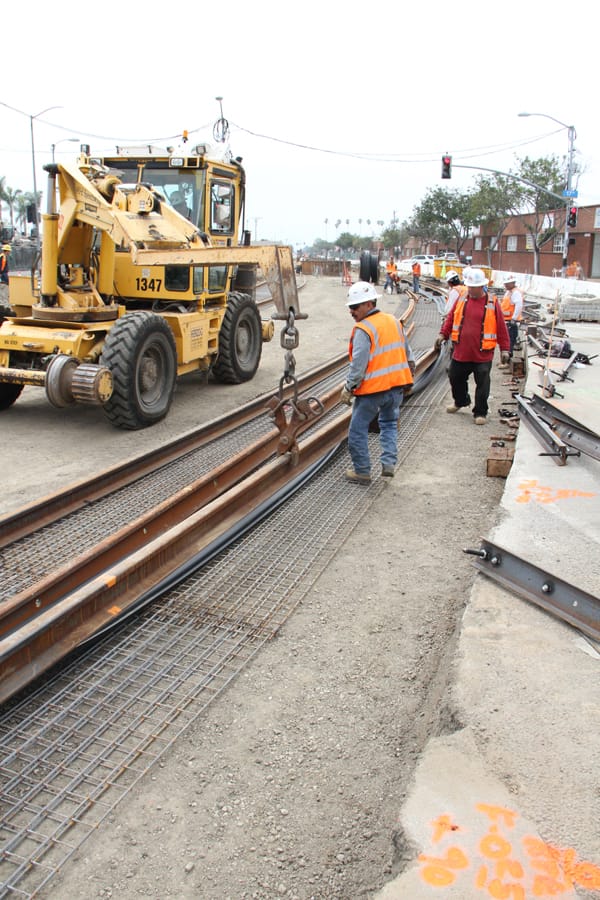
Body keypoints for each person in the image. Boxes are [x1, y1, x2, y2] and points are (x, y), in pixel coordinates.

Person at [339, 281, 415, 483]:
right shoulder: (393, 321)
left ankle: (362, 471)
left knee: (357, 430)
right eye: (350, 307)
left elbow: (358, 365)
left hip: (373, 391)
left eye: (355, 307)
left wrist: (348, 388)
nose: (352, 311)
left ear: (369, 304)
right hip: (396, 387)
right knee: (389, 424)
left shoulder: (364, 329)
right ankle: (388, 464)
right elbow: (408, 354)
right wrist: (408, 380)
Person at [434, 267, 510, 426]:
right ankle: (461, 401)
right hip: (462, 351)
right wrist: (443, 334)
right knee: (455, 376)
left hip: (482, 353)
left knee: (482, 383)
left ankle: (480, 412)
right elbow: (451, 319)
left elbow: (501, 327)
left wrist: (505, 348)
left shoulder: (492, 302)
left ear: (481, 286)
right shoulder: (462, 298)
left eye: (473, 287)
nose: (471, 290)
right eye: (469, 287)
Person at [499, 274, 523, 366]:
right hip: (506, 321)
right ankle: (505, 361)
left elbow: (519, 306)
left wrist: (514, 318)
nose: (505, 285)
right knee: (506, 341)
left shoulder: (515, 293)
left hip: (511, 322)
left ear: (512, 283)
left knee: (509, 341)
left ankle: (507, 363)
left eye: (507, 284)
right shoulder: (509, 292)